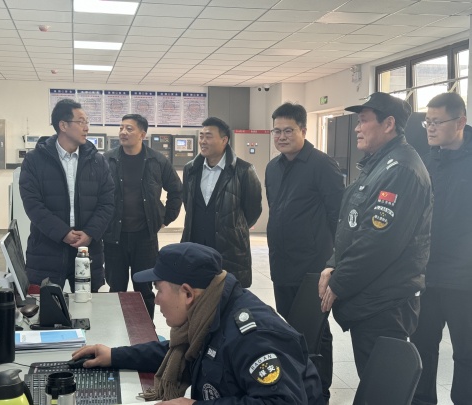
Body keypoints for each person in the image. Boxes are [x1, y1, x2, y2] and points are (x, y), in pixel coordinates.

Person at [72, 242, 324, 405]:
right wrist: (114, 355)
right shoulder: (209, 314)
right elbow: (179, 351)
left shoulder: (252, 336)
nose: (156, 300)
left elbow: (281, 402)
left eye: (158, 290)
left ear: (187, 293)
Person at [318, 92, 433, 377]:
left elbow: (378, 242)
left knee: (381, 385)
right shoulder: (378, 164)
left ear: (389, 124)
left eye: (363, 121)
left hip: (385, 304)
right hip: (371, 297)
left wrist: (340, 281)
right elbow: (352, 225)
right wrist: (333, 263)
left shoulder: (401, 169)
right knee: (373, 380)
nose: (357, 128)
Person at [266, 102, 344, 403]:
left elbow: (338, 215)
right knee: (290, 329)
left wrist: (333, 262)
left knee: (315, 333)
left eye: (288, 130)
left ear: (303, 130)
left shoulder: (322, 165)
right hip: (281, 265)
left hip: (313, 268)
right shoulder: (273, 167)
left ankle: (319, 392)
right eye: (277, 131)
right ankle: (298, 385)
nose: (281, 137)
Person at [410, 92, 472, 405]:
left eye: (437, 122)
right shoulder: (426, 160)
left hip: (464, 281)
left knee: (467, 355)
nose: (430, 128)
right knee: (421, 349)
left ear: (460, 122)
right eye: (427, 122)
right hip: (427, 278)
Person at [19, 99, 115, 291]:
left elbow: (108, 202)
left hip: (87, 250)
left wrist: (90, 233)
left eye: (87, 122)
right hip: (47, 249)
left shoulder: (97, 161)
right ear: (63, 125)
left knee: (89, 303)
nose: (86, 127)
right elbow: (32, 204)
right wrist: (62, 233)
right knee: (45, 304)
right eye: (81, 121)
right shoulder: (35, 160)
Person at [103, 114, 182, 319]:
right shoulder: (107, 160)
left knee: (144, 289)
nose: (123, 132)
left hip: (145, 237)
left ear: (142, 134)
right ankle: (115, 329)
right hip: (114, 237)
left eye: (129, 128)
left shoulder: (157, 160)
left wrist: (165, 219)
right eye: (121, 128)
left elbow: (176, 190)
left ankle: (146, 331)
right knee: (116, 289)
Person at [181, 117, 262, 287]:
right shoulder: (191, 169)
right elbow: (188, 204)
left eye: (208, 136)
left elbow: (253, 211)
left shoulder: (243, 170)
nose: (203, 141)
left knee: (227, 293)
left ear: (224, 140)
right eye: (201, 136)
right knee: (195, 294)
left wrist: (232, 227)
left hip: (229, 249)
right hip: (195, 245)